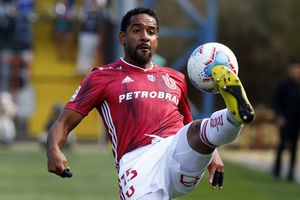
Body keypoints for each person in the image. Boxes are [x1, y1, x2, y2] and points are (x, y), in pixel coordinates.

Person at [47, 7, 255, 200]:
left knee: (199, 127)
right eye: (136, 30)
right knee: (200, 129)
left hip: (175, 151)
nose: (145, 36)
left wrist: (212, 152)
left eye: (151, 31)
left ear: (156, 40)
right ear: (123, 37)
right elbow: (64, 122)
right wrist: (53, 148)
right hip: (137, 162)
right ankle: (231, 117)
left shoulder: (175, 78)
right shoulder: (102, 77)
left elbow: (188, 124)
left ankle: (234, 115)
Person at [273, 62, 300, 182]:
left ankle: (291, 173)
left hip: (296, 122)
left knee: (294, 148)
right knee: (282, 145)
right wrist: (279, 116)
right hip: (284, 121)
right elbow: (277, 102)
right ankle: (277, 170)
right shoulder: (283, 86)